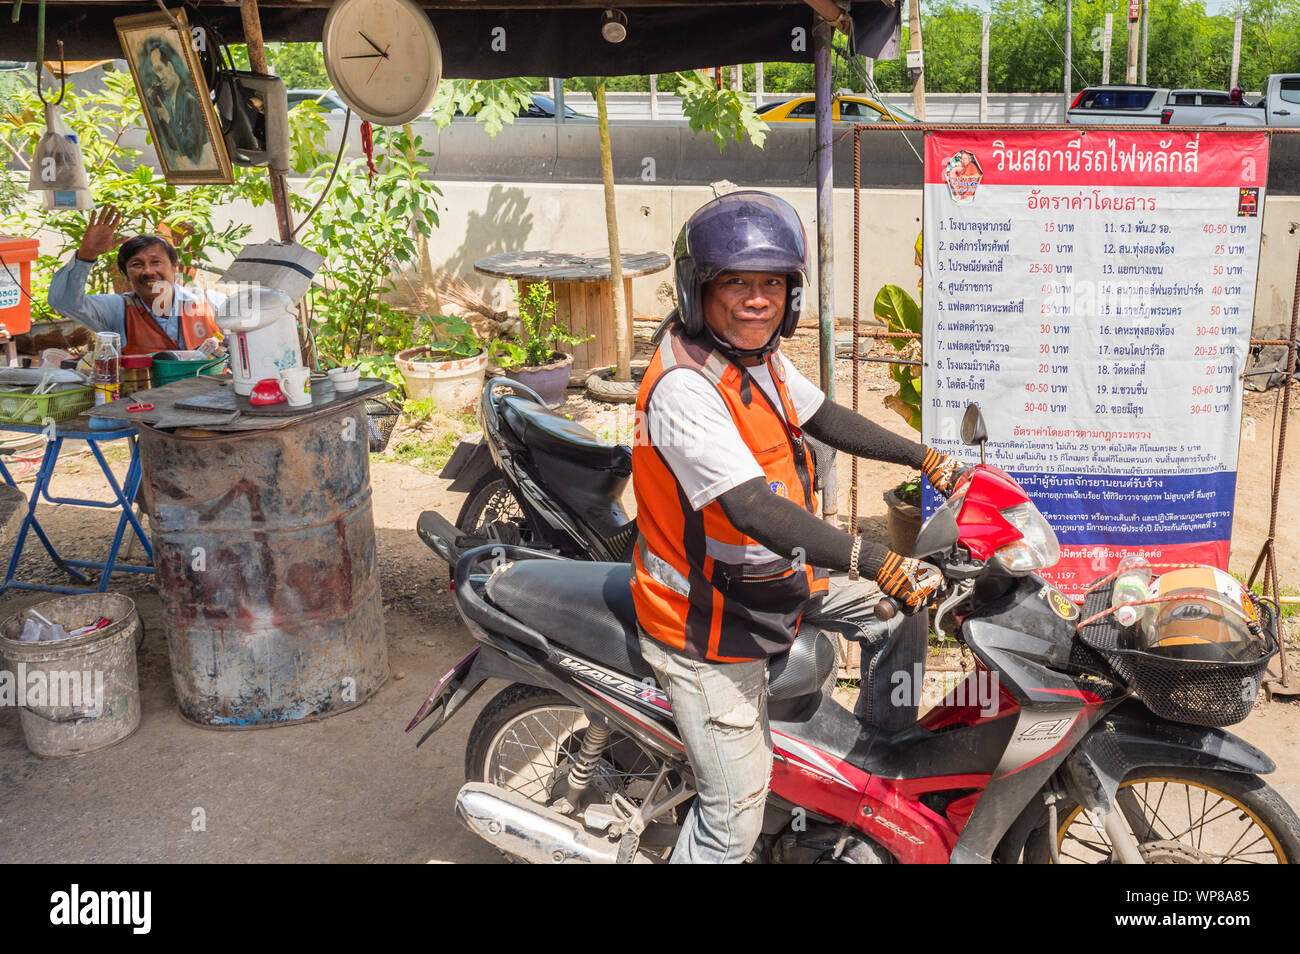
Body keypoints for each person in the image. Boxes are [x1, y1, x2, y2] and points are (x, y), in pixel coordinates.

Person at [631, 191, 966, 863]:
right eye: (737, 282)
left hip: (767, 578)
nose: (758, 299)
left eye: (773, 284)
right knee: (732, 817)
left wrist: (921, 455)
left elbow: (825, 418)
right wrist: (873, 557)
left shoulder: (758, 359)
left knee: (900, 613)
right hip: (706, 619)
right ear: (700, 290)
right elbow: (752, 509)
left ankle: (872, 771)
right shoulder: (684, 388)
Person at [48, 204, 224, 355]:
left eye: (156, 262)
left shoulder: (210, 303)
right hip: (144, 394)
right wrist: (86, 256)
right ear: (126, 274)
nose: (148, 271)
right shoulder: (117, 310)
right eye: (137, 265)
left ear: (174, 267)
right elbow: (63, 301)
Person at [137, 35, 211, 169]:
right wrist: (160, 115)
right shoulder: (169, 102)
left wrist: (167, 118)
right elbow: (172, 144)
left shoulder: (189, 101)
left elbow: (191, 150)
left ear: (170, 67)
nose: (158, 78)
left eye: (160, 69)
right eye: (155, 72)